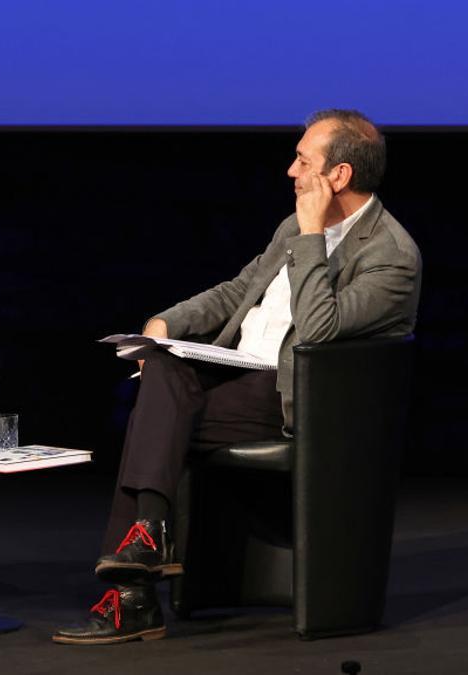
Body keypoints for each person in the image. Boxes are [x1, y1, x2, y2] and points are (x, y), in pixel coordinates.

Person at [52, 109, 422, 645]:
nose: (290, 171)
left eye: (303, 160)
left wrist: (314, 236)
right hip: (237, 379)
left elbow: (319, 329)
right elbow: (237, 290)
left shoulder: (392, 256)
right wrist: (166, 324)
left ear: (338, 176)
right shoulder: (291, 226)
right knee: (159, 366)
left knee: (155, 415)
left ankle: (132, 595)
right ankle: (146, 541)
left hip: (296, 395)